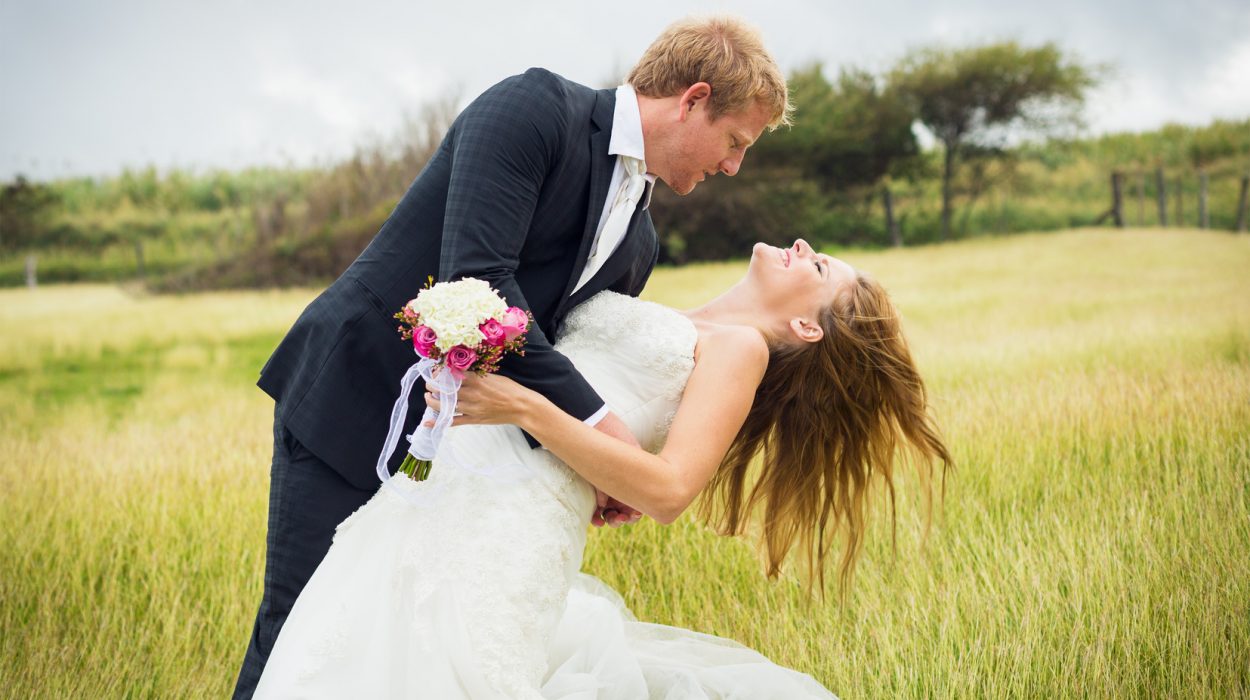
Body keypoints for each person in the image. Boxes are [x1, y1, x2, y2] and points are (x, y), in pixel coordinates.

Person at [232, 16, 790, 698]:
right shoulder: (535, 109)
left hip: (463, 465)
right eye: (735, 142)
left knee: (398, 652)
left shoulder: (638, 240)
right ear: (693, 99)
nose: (732, 166)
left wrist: (587, 465)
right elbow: (480, 282)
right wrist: (603, 428)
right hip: (354, 399)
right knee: (300, 631)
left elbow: (564, 351)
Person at [251, 239, 951, 698]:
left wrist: (524, 408)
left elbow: (673, 490)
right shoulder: (681, 312)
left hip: (511, 524)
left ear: (807, 327)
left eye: (820, 267)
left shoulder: (742, 349)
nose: (804, 248)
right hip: (444, 492)